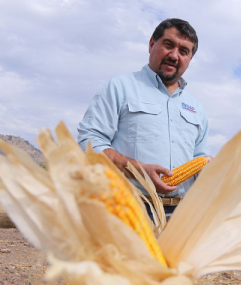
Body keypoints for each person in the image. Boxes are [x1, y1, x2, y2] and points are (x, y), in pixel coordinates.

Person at [77, 18, 211, 218]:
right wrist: (137, 169)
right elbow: (89, 143)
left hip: (182, 216)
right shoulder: (119, 87)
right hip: (127, 209)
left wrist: (213, 168)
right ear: (151, 44)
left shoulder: (197, 108)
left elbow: (201, 159)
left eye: (184, 51)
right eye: (168, 45)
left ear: (190, 59)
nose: (174, 55)